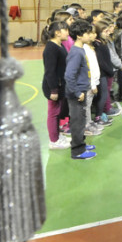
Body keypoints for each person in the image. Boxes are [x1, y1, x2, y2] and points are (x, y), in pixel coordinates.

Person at [64, 19, 98, 160]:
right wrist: (77, 92)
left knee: (81, 120)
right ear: (79, 35)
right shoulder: (77, 52)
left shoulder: (80, 49)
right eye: (87, 33)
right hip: (77, 94)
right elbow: (69, 75)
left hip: (81, 92)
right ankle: (77, 151)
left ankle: (81, 143)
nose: (89, 35)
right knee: (77, 122)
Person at [41, 20, 71, 150]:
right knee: (53, 113)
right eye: (66, 30)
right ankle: (53, 140)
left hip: (61, 85)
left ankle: (58, 136)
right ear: (58, 33)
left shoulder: (60, 45)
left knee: (58, 112)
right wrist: (53, 90)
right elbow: (50, 71)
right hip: (53, 87)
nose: (68, 33)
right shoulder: (51, 48)